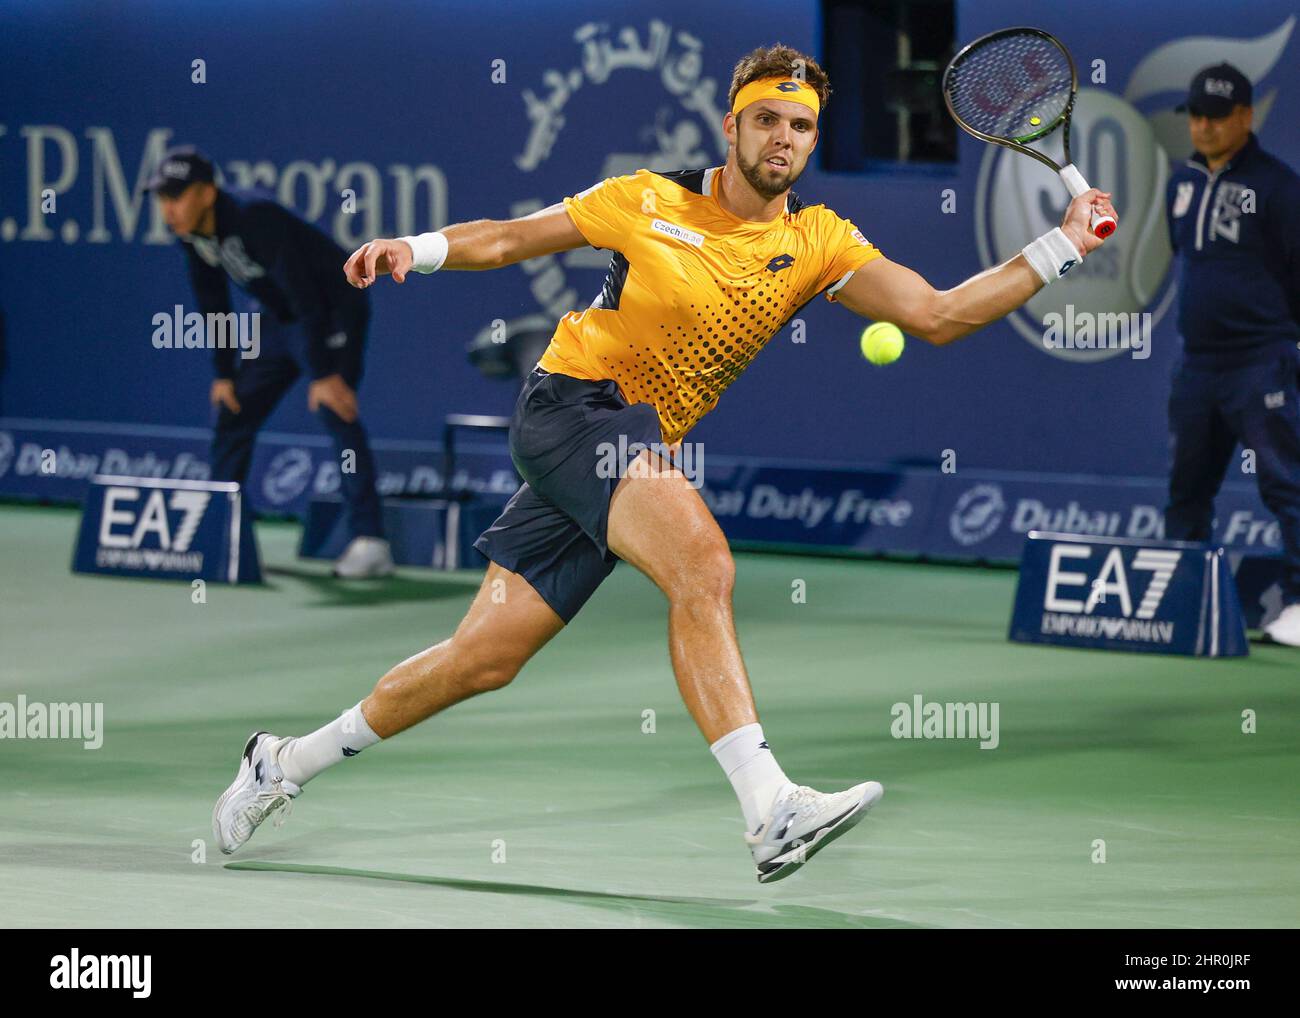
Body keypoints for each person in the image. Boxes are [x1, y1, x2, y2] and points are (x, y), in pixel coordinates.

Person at [212, 45, 1116, 882]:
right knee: (703, 563)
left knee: (480, 660)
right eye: (768, 119)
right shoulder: (646, 198)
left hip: (631, 443)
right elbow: (508, 238)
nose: (784, 139)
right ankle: (770, 810)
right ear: (732, 124)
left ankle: (281, 762)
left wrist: (1064, 243)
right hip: (572, 407)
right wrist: (416, 249)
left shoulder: (818, 243)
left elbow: (941, 313)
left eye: (801, 126)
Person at [147, 147, 394, 578]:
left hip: (332, 308)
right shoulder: (192, 234)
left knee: (336, 408)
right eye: (163, 198)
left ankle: (371, 541)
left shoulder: (253, 216)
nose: (169, 208)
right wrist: (224, 374)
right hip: (280, 320)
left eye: (177, 196)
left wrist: (322, 373)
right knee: (233, 409)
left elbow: (303, 292)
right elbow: (212, 302)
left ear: (206, 193)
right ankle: (223, 532)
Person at [1162, 64, 1300, 646]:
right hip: (1198, 365)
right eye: (1195, 116)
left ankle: (1297, 601)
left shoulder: (1279, 187)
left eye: (1217, 117)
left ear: (1247, 116)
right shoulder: (1180, 183)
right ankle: (1184, 598)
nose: (1204, 127)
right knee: (1187, 486)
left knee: (1285, 483)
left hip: (1261, 361)